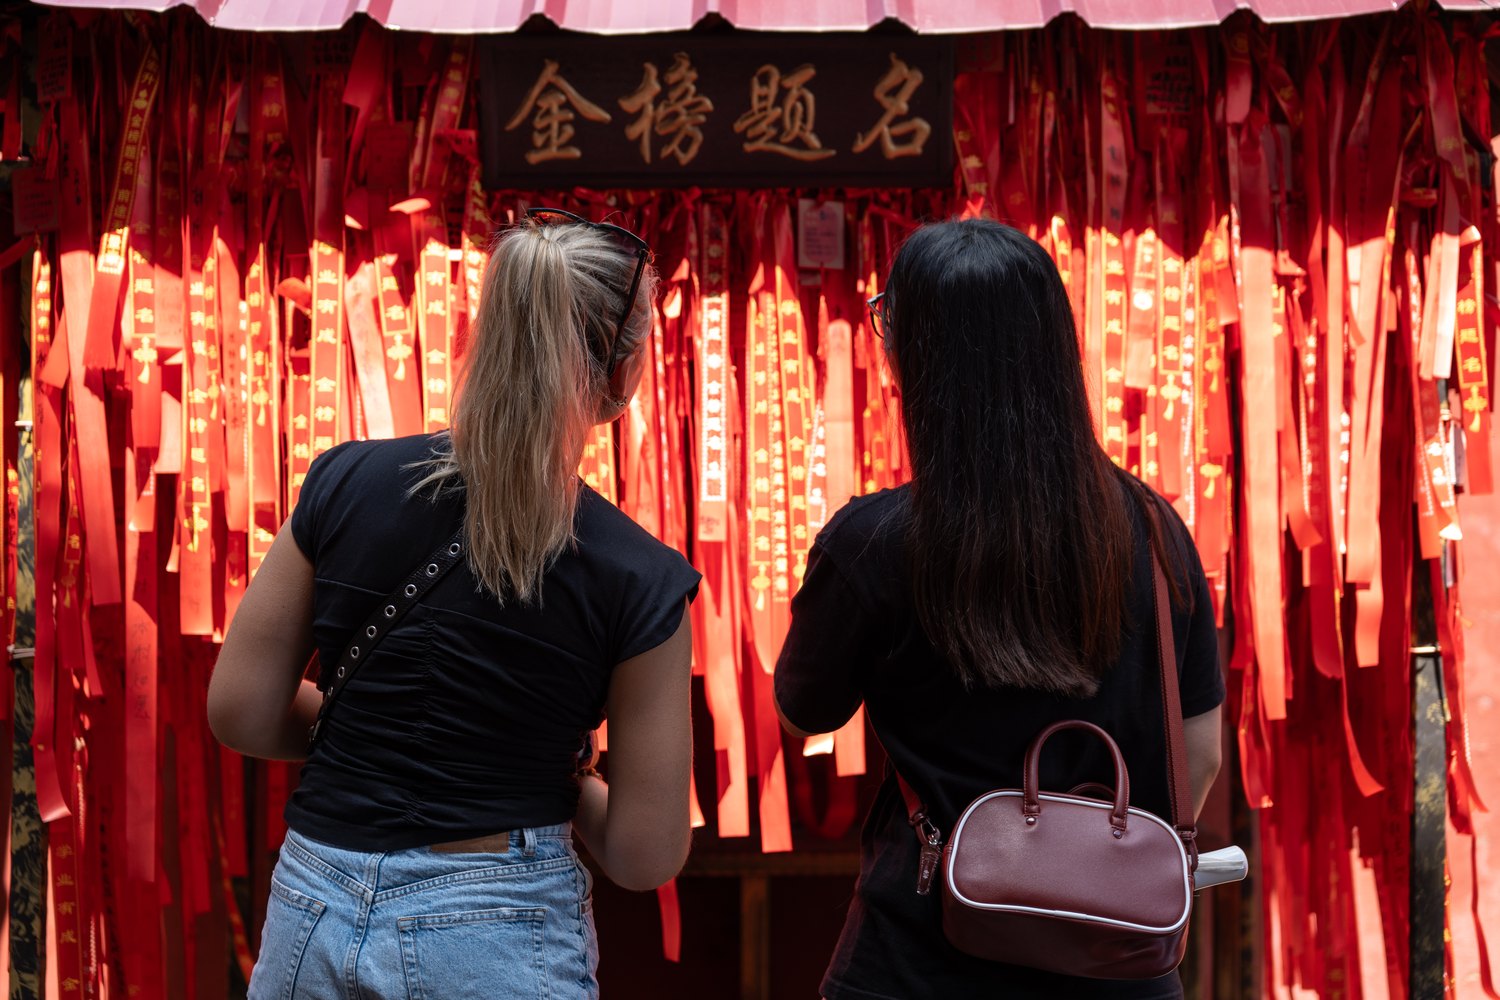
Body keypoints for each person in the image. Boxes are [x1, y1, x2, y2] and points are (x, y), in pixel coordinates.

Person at [208, 209, 699, 1000]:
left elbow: (241, 710)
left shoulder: (343, 484)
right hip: (496, 926)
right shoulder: (640, 575)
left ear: (492, 328)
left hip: (314, 900)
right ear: (625, 371)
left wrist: (361, 733)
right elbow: (645, 853)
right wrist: (562, 778)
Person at [774, 218, 1224, 1000]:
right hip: (1118, 967)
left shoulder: (873, 543)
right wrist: (1089, 862)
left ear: (911, 354)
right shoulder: (1154, 533)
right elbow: (1202, 754)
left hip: (917, 959)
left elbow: (806, 708)